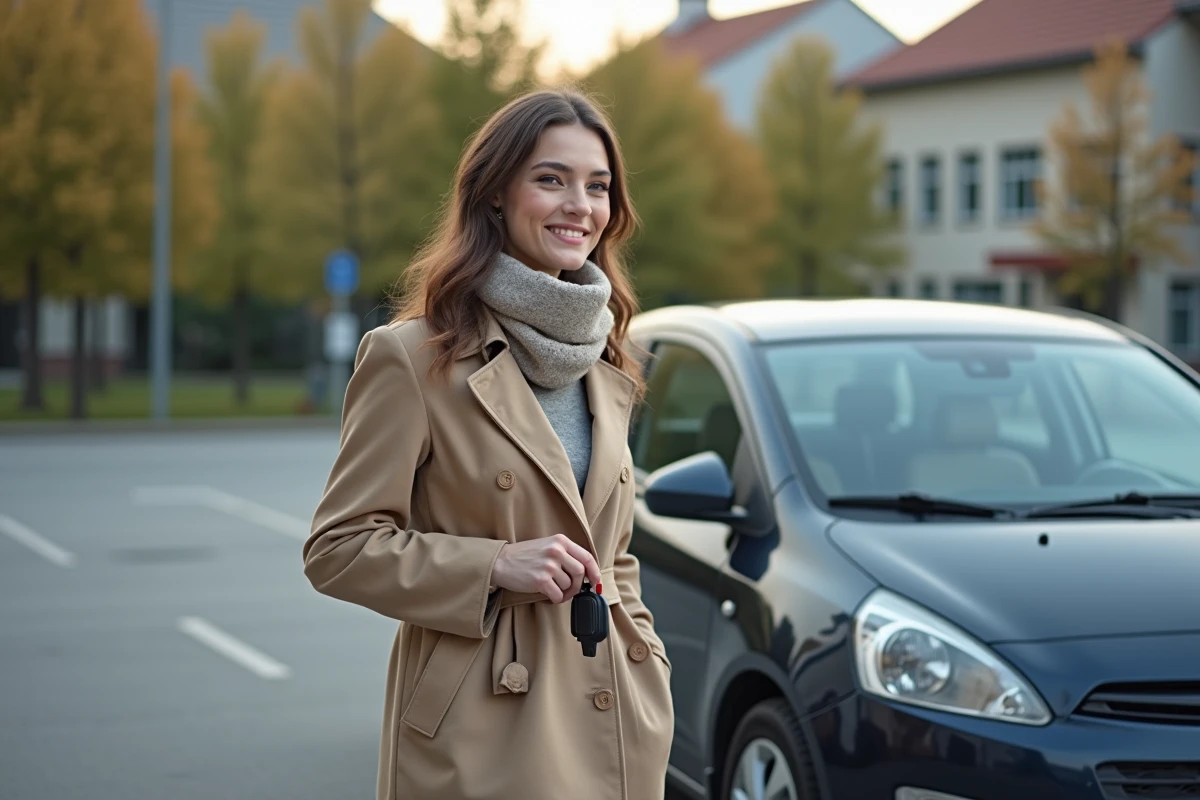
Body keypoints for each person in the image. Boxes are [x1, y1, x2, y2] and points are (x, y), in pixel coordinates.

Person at [303, 89, 674, 800]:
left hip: (612, 704)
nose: (580, 205)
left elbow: (614, 552)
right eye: (550, 179)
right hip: (482, 723)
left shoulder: (610, 358)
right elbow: (338, 548)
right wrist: (496, 563)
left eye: (597, 186)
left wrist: (643, 655)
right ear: (496, 195)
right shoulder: (412, 358)